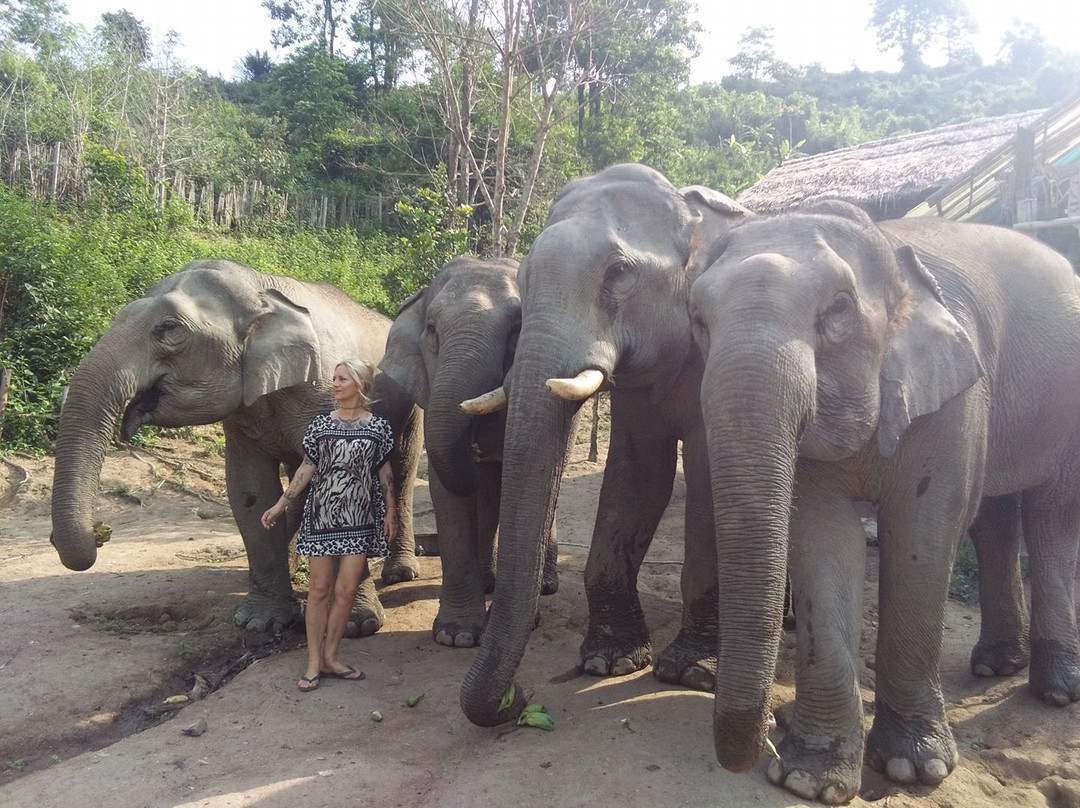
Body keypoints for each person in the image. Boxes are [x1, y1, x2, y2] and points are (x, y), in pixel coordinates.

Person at [261, 358, 397, 693]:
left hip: (360, 519)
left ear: (360, 385)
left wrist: (391, 513)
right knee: (319, 591)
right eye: (334, 378)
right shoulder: (321, 424)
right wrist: (281, 503)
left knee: (347, 590)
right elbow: (307, 468)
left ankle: (331, 657)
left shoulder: (377, 427)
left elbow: (385, 473)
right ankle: (312, 662)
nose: (335, 384)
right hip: (322, 516)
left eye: (342, 379)